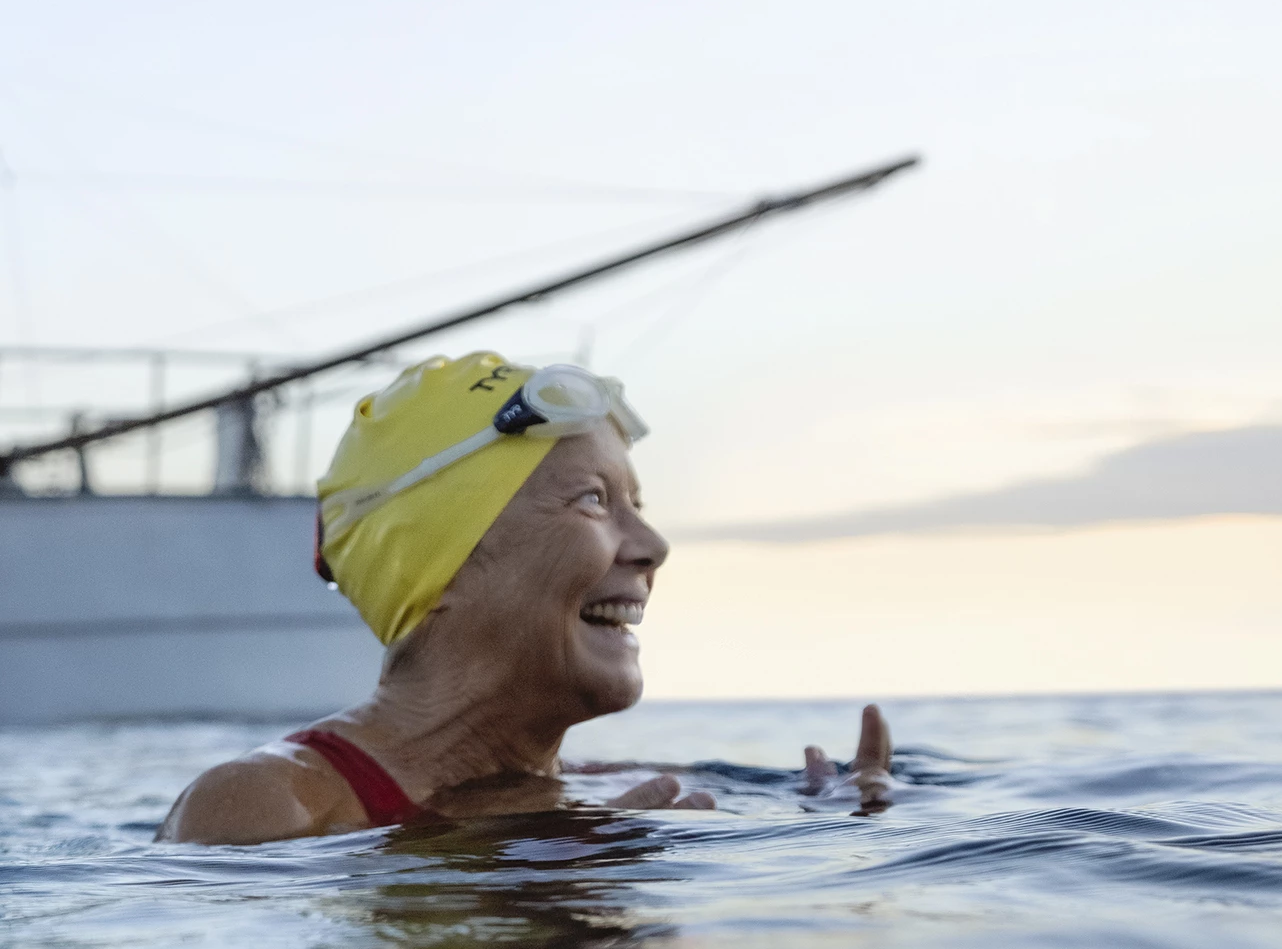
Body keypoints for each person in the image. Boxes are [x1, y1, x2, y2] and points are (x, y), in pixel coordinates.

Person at [158, 353, 894, 844]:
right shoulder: (265, 806)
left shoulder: (607, 786)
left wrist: (843, 815)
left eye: (637, 504)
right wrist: (551, 862)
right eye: (593, 501)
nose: (652, 546)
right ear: (438, 568)